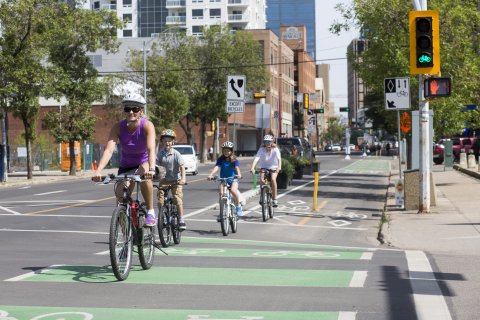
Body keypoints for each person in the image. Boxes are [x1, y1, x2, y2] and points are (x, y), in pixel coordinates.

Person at [92, 93, 157, 226]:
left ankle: (150, 212)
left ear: (141, 111)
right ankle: (126, 233)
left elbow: (151, 149)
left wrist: (151, 169)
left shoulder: (147, 126)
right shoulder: (118, 127)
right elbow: (109, 150)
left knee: (144, 175)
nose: (131, 112)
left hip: (144, 162)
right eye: (127, 109)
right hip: (126, 165)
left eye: (135, 109)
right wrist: (98, 170)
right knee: (120, 198)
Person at [156, 129, 187, 231]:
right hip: (164, 180)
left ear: (173, 142)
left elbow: (182, 167)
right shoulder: (160, 154)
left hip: (175, 180)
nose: (167, 143)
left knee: (177, 198)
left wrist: (183, 178)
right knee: (160, 200)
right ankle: (162, 217)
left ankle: (181, 219)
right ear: (162, 142)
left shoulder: (176, 154)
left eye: (169, 141)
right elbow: (156, 165)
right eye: (165, 141)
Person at [207, 141, 243, 218]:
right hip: (223, 179)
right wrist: (211, 174)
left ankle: (238, 206)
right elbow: (217, 167)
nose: (226, 152)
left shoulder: (234, 160)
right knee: (221, 193)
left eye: (228, 151)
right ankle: (221, 212)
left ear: (231, 151)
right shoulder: (221, 159)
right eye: (224, 151)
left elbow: (237, 168)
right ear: (222, 151)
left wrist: (239, 174)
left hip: (233, 179)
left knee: (233, 190)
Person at [250, 134, 282, 207]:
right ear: (264, 142)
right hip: (264, 167)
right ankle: (262, 195)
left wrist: (279, 167)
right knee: (261, 180)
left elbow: (279, 159)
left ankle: (274, 198)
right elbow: (256, 158)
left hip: (274, 167)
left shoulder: (275, 149)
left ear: (272, 142)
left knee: (273, 179)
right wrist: (252, 167)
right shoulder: (261, 149)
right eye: (266, 142)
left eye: (269, 142)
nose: (268, 143)